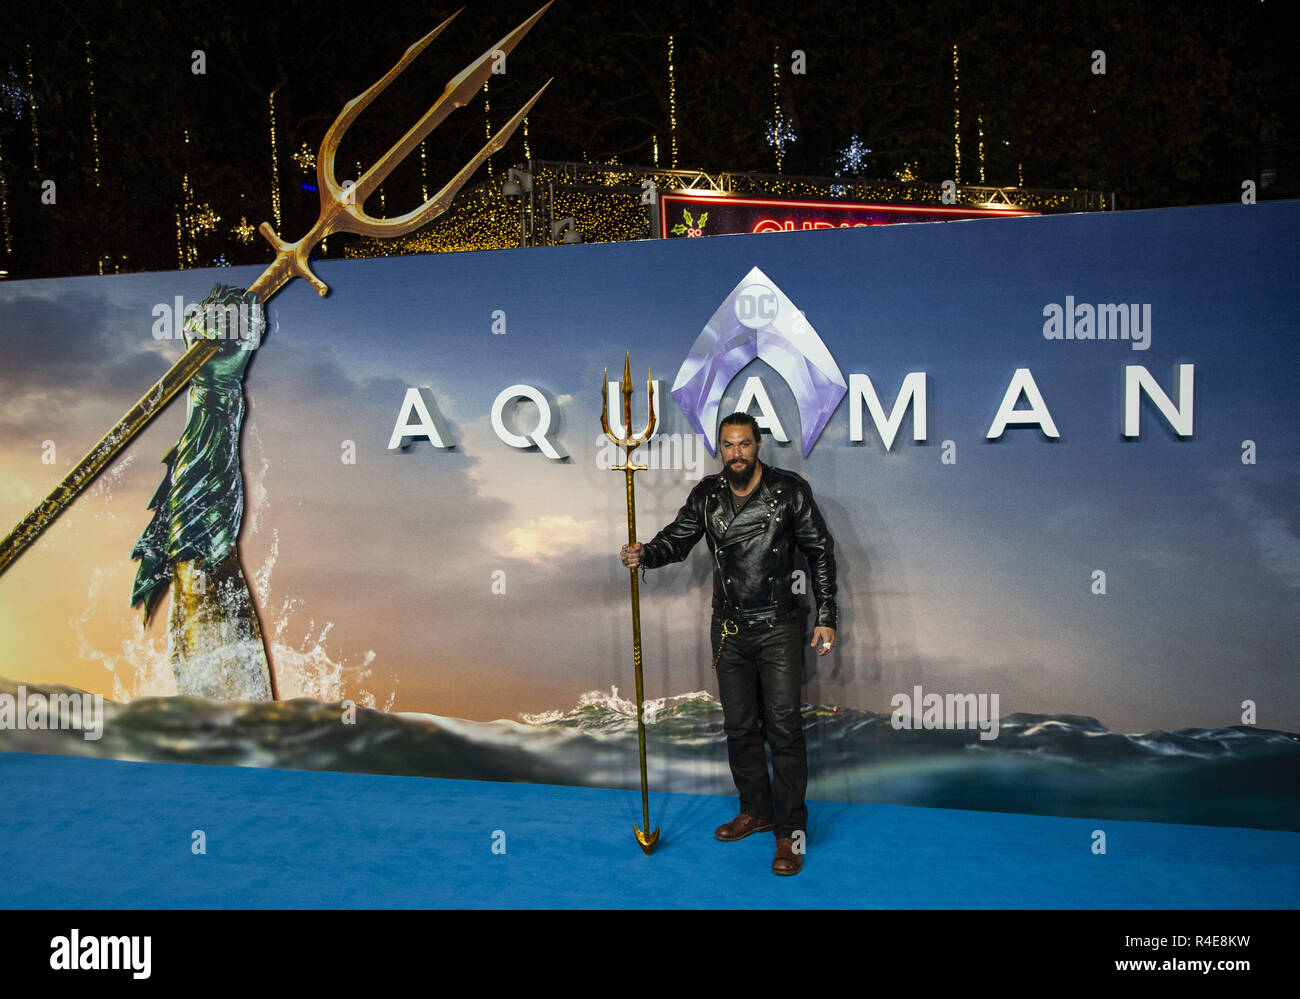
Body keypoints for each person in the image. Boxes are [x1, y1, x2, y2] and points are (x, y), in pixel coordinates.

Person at [621, 412, 837, 876]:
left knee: (784, 730)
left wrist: (827, 615)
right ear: (720, 447)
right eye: (728, 445)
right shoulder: (708, 495)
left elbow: (819, 550)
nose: (736, 452)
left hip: (778, 627)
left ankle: (788, 832)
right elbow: (677, 541)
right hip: (729, 630)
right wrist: (645, 555)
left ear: (758, 445)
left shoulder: (789, 492)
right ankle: (755, 810)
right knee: (740, 728)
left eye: (744, 444)